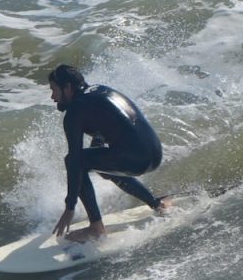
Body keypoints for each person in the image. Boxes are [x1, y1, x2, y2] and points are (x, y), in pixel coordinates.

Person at [48, 64, 169, 242]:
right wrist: (98, 159)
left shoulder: (74, 112)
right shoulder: (100, 90)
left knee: (75, 161)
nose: (52, 96)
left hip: (137, 160)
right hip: (154, 153)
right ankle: (157, 204)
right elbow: (107, 126)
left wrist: (70, 206)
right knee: (103, 168)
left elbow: (75, 160)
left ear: (67, 88)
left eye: (54, 89)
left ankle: (96, 228)